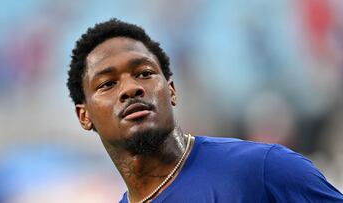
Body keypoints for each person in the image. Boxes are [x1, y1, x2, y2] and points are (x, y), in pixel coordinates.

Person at [67, 18, 343, 203]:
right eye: (108, 84)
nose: (130, 89)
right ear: (84, 115)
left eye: (145, 73)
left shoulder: (263, 170)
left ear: (171, 90)